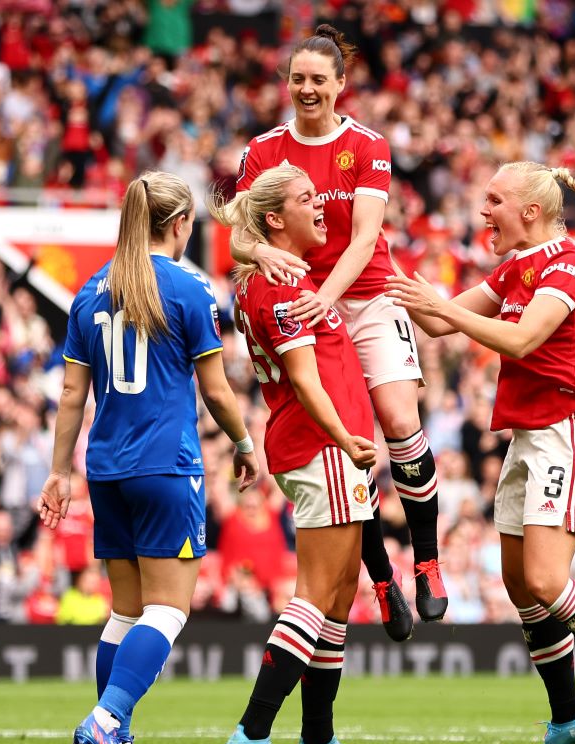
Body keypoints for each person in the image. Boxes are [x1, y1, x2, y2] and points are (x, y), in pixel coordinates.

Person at [386, 162, 575, 744]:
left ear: (530, 211)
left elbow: (520, 341)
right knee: (521, 585)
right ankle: (567, 716)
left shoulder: (569, 265)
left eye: (494, 199)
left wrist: (441, 304)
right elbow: (434, 322)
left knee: (547, 581)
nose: (483, 209)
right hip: (528, 435)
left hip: (566, 430)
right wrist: (379, 267)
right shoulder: (518, 267)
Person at [39, 171, 260, 744]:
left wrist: (59, 472)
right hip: (165, 465)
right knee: (168, 610)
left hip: (105, 468)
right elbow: (215, 388)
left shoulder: (91, 291)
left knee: (125, 611)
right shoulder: (189, 290)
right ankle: (107, 722)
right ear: (180, 223)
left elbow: (69, 394)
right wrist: (244, 443)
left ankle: (119, 741)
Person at [231, 25, 444, 640]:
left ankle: (426, 561)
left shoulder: (368, 145)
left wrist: (326, 298)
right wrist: (262, 255)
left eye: (318, 80)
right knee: (346, 448)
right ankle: (382, 579)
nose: (306, 89)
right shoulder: (264, 150)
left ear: (340, 86)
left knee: (401, 422)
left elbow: (364, 237)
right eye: (297, 79)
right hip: (302, 307)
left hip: (363, 292)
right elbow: (240, 232)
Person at [210, 164, 383, 744]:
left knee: (337, 595)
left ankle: (317, 738)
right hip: (321, 447)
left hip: (317, 446)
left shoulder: (278, 279)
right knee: (314, 595)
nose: (321, 206)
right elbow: (306, 380)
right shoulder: (281, 288)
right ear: (276, 219)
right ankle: (253, 730)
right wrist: (347, 438)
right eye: (308, 198)